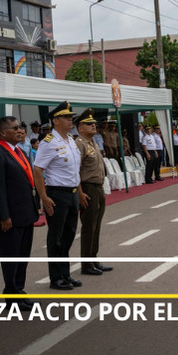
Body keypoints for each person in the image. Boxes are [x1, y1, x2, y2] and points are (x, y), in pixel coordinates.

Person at [0, 116, 40, 310]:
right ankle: (11, 295)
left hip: (25, 213)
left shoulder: (19, 151)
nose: (20, 130)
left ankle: (19, 290)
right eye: (15, 128)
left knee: (22, 256)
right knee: (11, 257)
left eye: (21, 127)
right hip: (11, 217)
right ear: (3, 132)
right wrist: (4, 215)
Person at [33, 101, 84, 291]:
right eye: (67, 117)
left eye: (71, 117)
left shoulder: (70, 140)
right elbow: (38, 170)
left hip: (71, 194)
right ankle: (56, 278)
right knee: (56, 237)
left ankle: (65, 274)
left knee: (69, 235)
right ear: (55, 120)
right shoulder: (49, 143)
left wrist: (78, 192)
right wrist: (43, 197)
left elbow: (74, 170)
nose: (71, 120)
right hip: (57, 194)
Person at [74, 109, 112, 276]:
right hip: (87, 187)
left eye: (94, 123)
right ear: (80, 128)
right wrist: (80, 193)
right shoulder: (79, 144)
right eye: (89, 124)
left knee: (96, 226)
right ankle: (86, 264)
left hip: (98, 186)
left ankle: (93, 258)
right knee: (89, 226)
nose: (93, 125)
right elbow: (76, 170)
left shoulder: (93, 142)